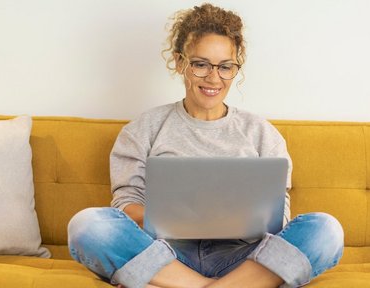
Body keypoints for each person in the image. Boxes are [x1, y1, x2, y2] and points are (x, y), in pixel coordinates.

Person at [68, 3, 344, 288]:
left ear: (236, 69)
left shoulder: (261, 132)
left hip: (244, 257)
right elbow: (126, 205)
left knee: (326, 229)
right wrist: (180, 218)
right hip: (167, 256)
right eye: (201, 64)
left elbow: (278, 217)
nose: (214, 78)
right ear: (179, 62)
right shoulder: (144, 129)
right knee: (88, 225)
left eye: (226, 67)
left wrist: (237, 219)